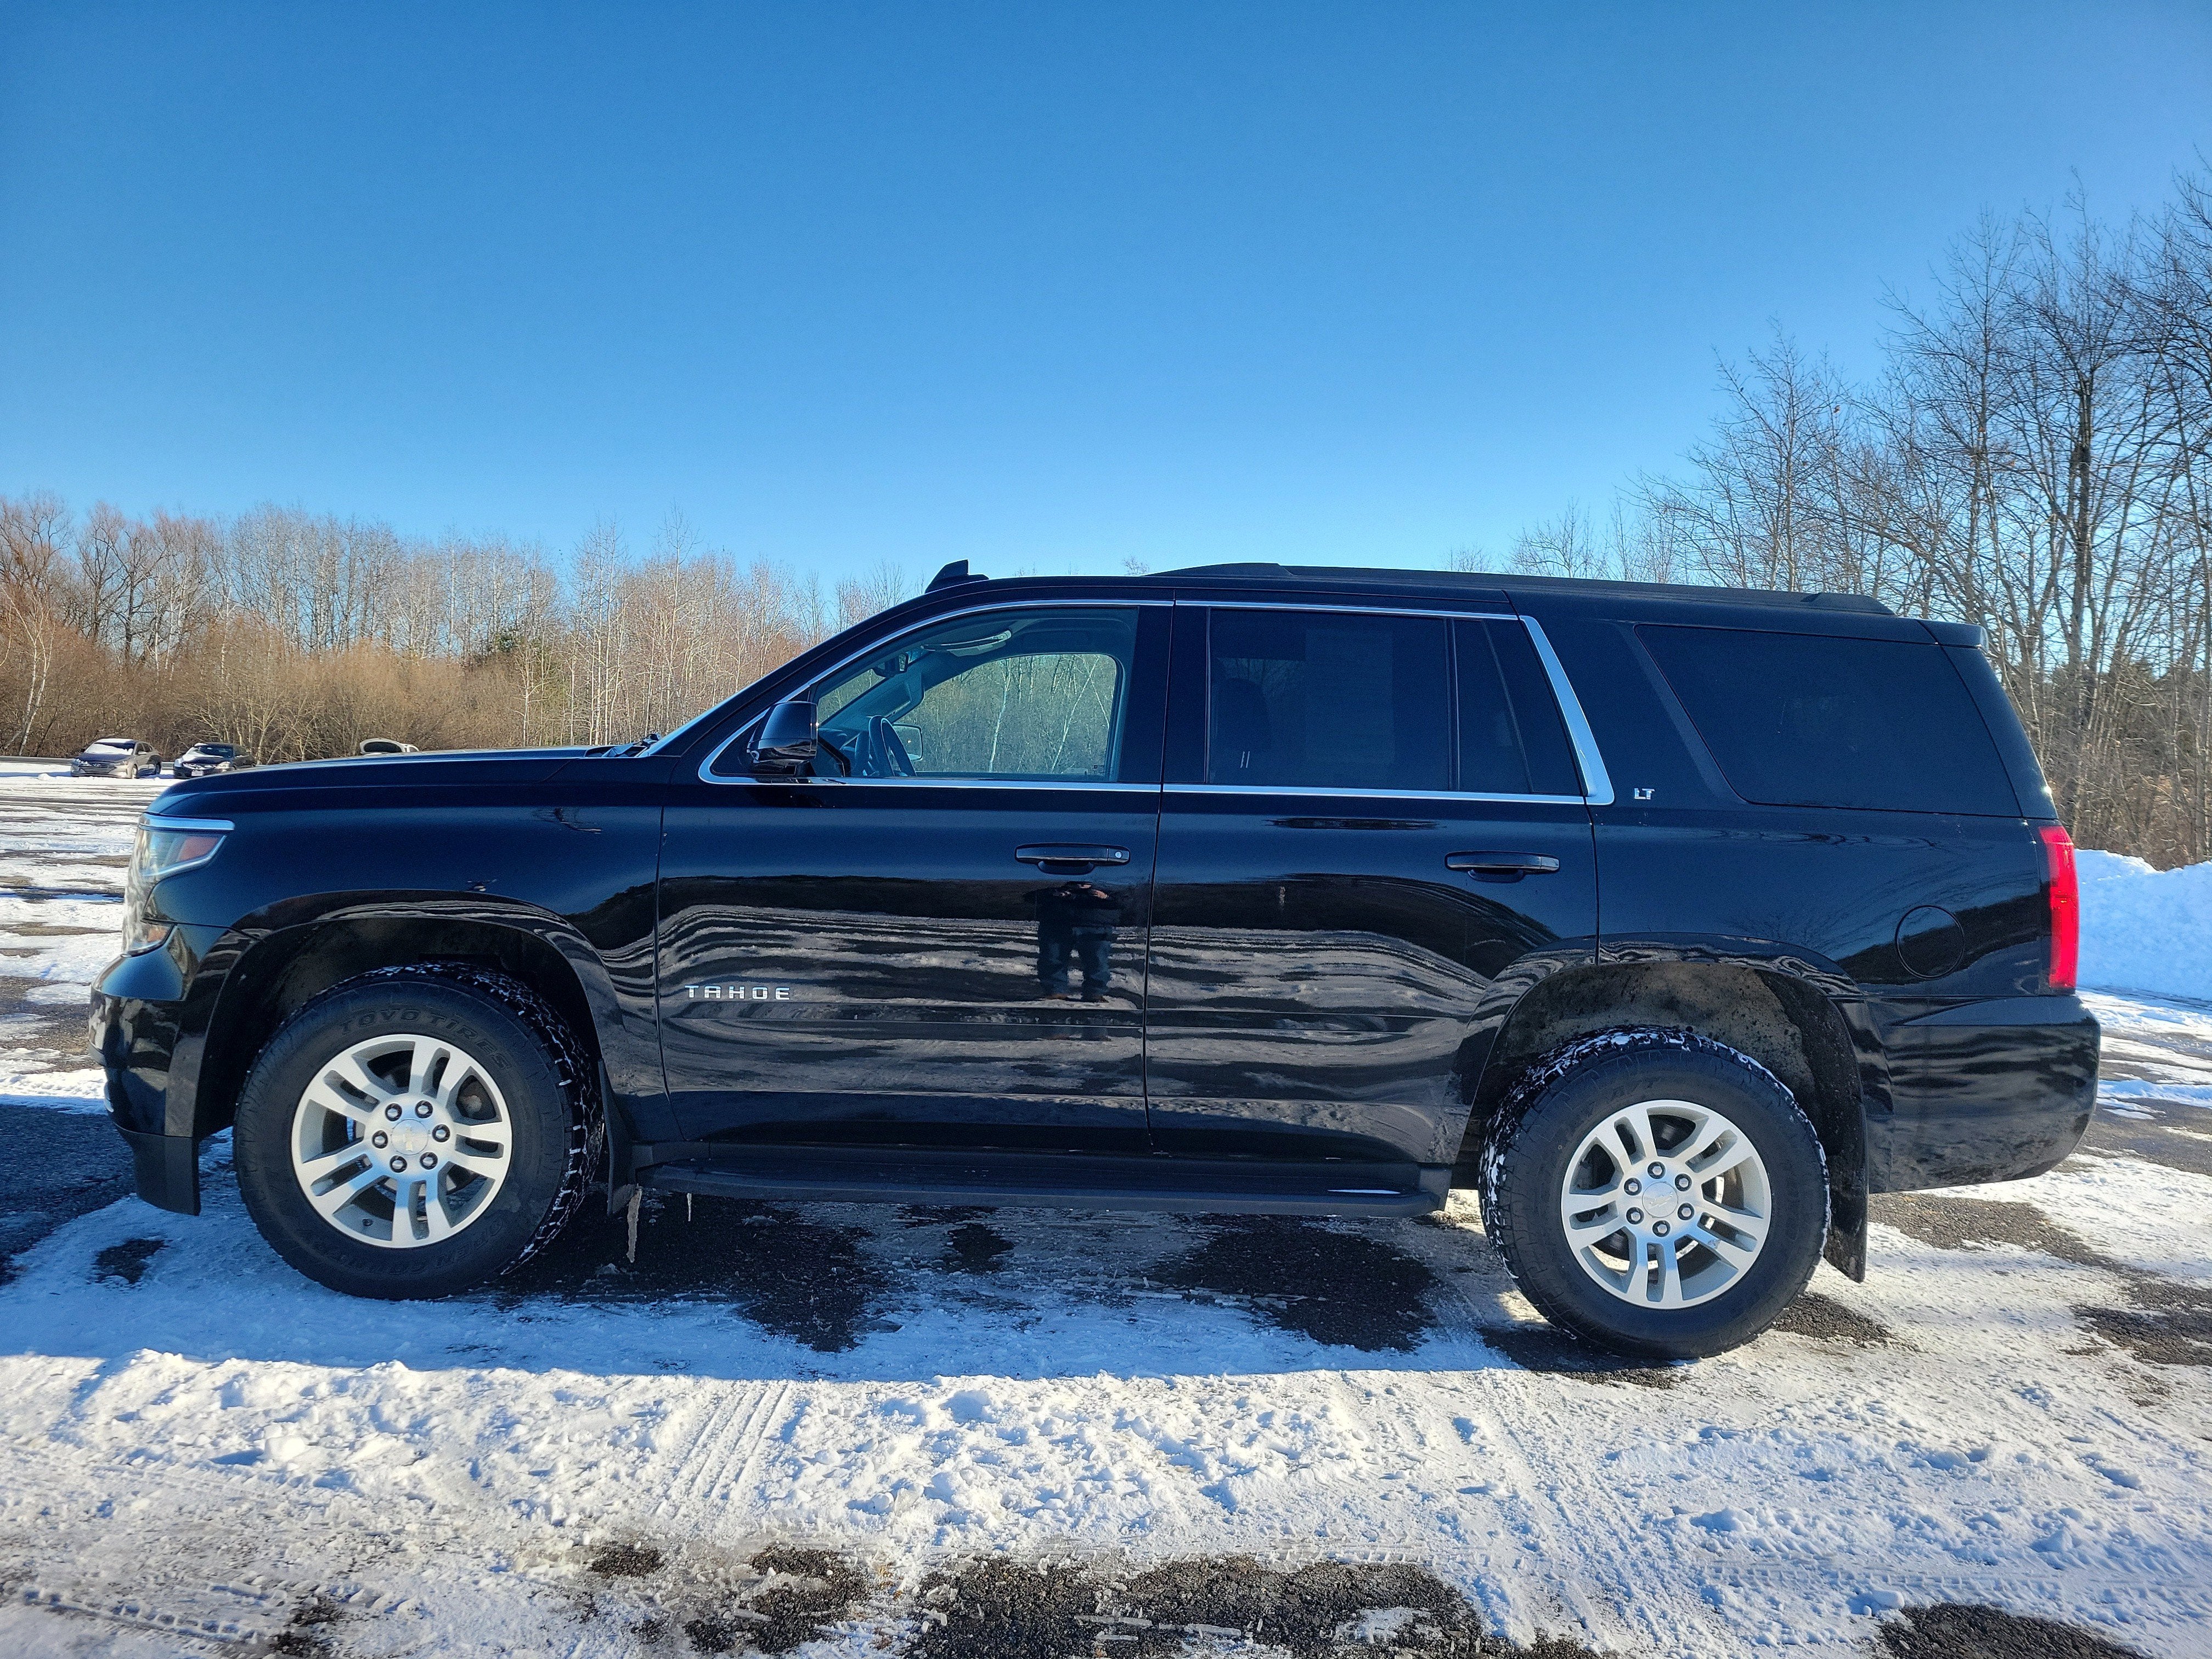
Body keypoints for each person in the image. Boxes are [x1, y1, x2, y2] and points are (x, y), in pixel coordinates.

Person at [1030, 879, 1119, 1001]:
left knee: (1097, 961)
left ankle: (1095, 994)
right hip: (1057, 926)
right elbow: (1030, 897)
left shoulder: (1107, 888)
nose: (1080, 883)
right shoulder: (1054, 889)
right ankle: (1055, 992)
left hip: (1096, 927)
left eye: (1084, 882)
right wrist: (1055, 894)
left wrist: (1106, 897)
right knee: (1053, 958)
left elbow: (1121, 902)